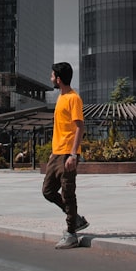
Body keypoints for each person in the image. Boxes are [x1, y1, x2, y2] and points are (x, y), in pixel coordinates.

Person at [42, 61, 89, 249]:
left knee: (68, 193)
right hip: (56, 154)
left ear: (59, 79)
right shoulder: (60, 97)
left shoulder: (73, 98)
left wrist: (73, 155)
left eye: (52, 75)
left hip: (67, 154)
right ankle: (75, 218)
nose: (50, 78)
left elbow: (80, 127)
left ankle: (71, 234)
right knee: (47, 191)